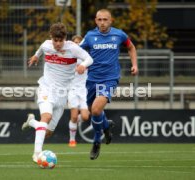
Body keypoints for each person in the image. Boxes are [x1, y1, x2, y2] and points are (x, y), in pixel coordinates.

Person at [21, 22, 93, 163]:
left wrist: (83, 65)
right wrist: (36, 56)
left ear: (65, 38)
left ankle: (32, 122)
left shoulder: (72, 48)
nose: (58, 44)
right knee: (46, 117)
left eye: (61, 40)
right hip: (46, 88)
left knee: (47, 132)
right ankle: (37, 154)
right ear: (51, 37)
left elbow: (90, 58)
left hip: (62, 94)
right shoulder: (47, 44)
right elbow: (41, 48)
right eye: (55, 40)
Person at [80, 9, 138, 160]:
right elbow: (77, 52)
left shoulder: (119, 35)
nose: (102, 23)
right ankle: (106, 126)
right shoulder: (90, 36)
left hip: (109, 79)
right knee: (93, 112)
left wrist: (134, 65)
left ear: (111, 20)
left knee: (96, 109)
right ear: (95, 21)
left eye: (105, 20)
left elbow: (131, 47)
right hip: (91, 79)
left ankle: (96, 141)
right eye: (99, 20)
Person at [67, 35, 90, 147]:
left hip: (83, 90)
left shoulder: (86, 58)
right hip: (72, 90)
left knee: (85, 117)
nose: (77, 44)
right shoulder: (69, 57)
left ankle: (73, 123)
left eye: (78, 42)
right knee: (74, 116)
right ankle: (72, 140)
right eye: (74, 42)